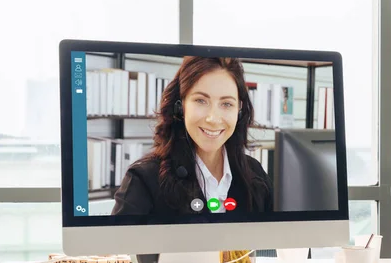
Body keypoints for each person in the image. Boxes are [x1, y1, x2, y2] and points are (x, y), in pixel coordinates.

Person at [111, 56, 273, 216]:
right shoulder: (144, 180)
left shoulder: (255, 175)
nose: (213, 119)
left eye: (226, 104)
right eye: (201, 101)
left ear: (239, 110)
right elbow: (117, 242)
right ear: (180, 106)